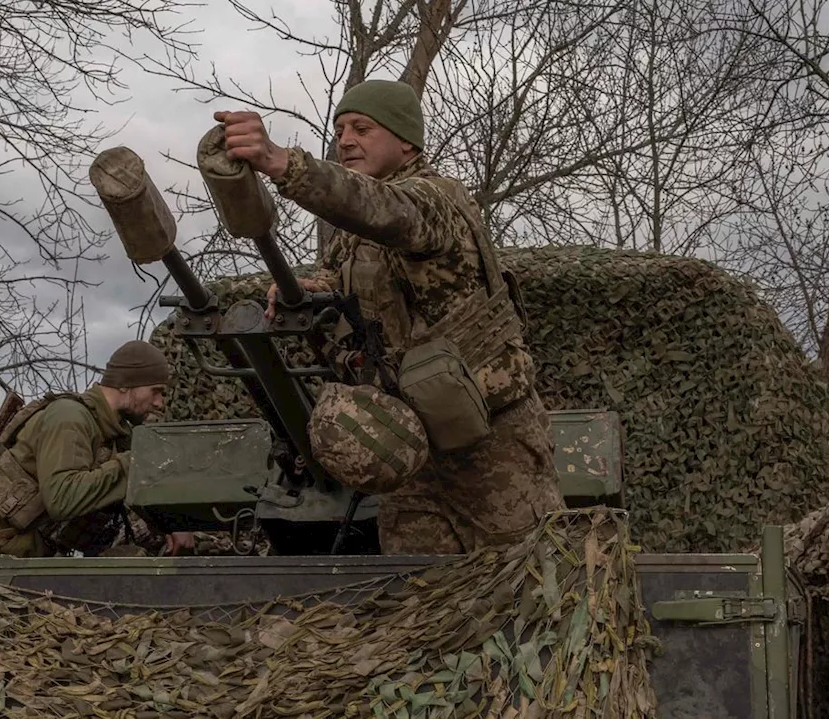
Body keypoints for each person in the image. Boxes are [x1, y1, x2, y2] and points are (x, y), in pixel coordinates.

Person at [213, 79, 565, 555]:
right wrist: (309, 290)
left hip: (489, 439)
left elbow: (387, 212)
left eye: (362, 128)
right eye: (339, 130)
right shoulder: (351, 235)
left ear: (406, 141)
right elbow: (341, 278)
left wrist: (283, 164)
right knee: (419, 594)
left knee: (529, 575)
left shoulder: (436, 200)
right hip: (408, 440)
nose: (346, 140)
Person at [0, 340, 195, 559]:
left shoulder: (115, 435)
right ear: (126, 384)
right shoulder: (69, 417)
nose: (160, 403)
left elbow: (125, 497)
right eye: (156, 391)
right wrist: (136, 464)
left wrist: (168, 525)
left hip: (20, 560)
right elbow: (63, 499)